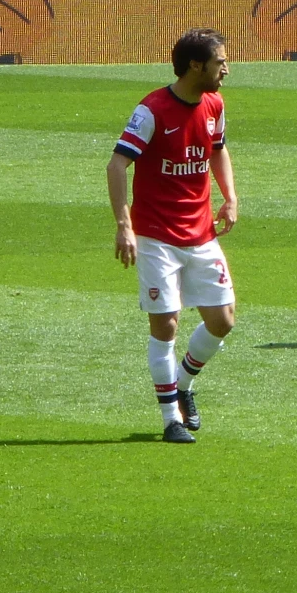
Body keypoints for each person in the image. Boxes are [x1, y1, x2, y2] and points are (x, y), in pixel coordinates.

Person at [106, 29, 239, 444]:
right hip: (156, 237)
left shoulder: (214, 103)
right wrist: (124, 226)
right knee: (166, 326)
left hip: (200, 232)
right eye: (220, 62)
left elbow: (217, 148)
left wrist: (230, 197)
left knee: (223, 320)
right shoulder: (152, 110)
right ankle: (170, 420)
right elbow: (115, 166)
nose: (226, 70)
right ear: (196, 66)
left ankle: (183, 385)